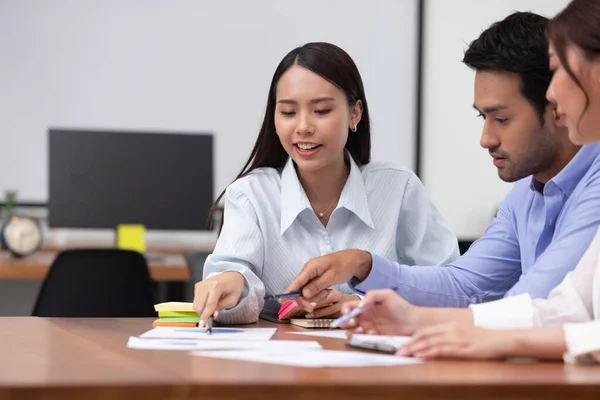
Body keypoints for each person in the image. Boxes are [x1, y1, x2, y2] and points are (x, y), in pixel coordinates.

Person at [285, 12, 600, 314]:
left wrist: (413, 318)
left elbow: (531, 308)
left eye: (501, 119)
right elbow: (463, 285)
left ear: (557, 106)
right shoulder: (525, 194)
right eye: (483, 117)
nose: (486, 138)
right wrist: (364, 264)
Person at [192, 42, 459, 325]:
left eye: (321, 110)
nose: (303, 126)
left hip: (380, 360)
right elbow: (237, 288)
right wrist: (233, 283)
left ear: (355, 114)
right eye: (288, 112)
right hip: (283, 362)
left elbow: (450, 286)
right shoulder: (250, 195)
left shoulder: (399, 188)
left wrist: (359, 303)